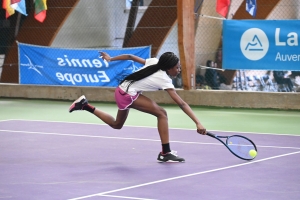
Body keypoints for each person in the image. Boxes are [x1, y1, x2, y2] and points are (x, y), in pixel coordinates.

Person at [69, 52, 207, 163]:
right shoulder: (164, 79)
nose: (179, 69)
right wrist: (198, 123)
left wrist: (110, 59)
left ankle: (85, 105)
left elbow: (130, 56)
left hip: (124, 91)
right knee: (162, 114)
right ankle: (165, 152)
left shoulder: (155, 62)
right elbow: (181, 103)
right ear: (169, 68)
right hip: (126, 94)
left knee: (117, 125)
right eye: (177, 67)